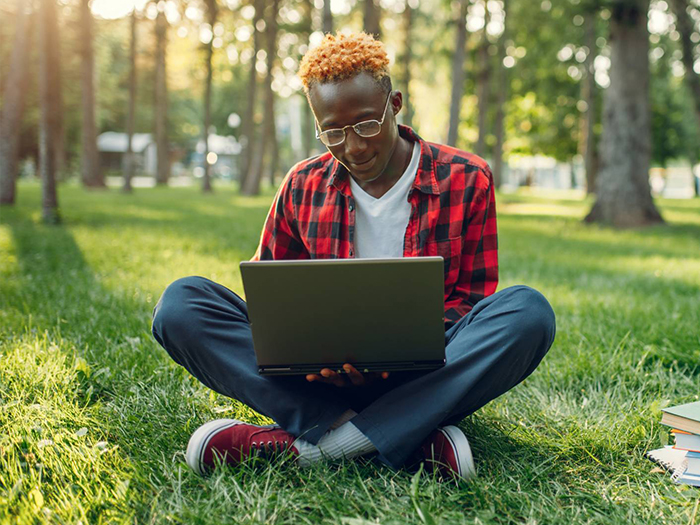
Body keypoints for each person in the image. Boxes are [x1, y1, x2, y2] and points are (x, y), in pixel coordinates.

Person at [152, 32, 556, 481]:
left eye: (366, 124)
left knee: (527, 312)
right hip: (313, 382)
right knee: (181, 305)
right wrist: (315, 357)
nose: (355, 147)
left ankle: (318, 446)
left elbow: (470, 301)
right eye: (333, 133)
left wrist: (383, 364)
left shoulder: (467, 177)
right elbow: (269, 303)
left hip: (418, 375)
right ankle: (407, 438)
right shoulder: (301, 183)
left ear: (395, 104)